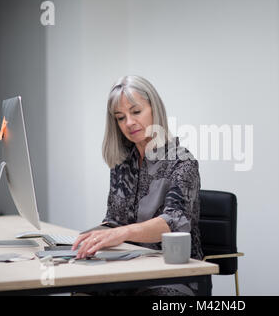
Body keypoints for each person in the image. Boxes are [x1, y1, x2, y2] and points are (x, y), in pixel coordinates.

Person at [71, 75, 203, 296]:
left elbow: (174, 222)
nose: (129, 123)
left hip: (172, 273)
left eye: (136, 112)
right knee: (81, 290)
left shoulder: (183, 162)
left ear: (154, 109)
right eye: (120, 117)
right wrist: (89, 238)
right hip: (128, 267)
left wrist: (121, 234)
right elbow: (114, 220)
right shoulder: (123, 163)